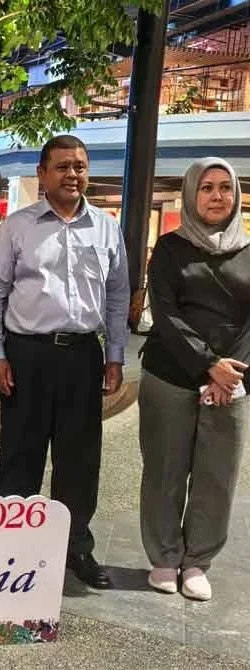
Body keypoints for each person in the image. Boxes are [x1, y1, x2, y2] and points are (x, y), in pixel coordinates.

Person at [0, 134, 129, 590]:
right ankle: (6, 546)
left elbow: (118, 294)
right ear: (42, 174)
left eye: (80, 166)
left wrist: (115, 354)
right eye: (62, 166)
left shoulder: (104, 226)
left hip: (83, 355)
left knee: (79, 458)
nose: (73, 175)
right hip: (27, 355)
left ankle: (74, 545)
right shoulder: (17, 227)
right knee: (20, 454)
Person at [138, 158, 248, 601]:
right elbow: (165, 313)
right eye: (206, 188)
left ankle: (198, 561)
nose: (216, 196)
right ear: (190, 195)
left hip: (233, 381)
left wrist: (228, 373)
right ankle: (164, 558)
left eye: (225, 187)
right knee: (165, 469)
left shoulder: (247, 251)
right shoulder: (169, 249)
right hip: (170, 375)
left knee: (216, 475)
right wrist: (208, 366)